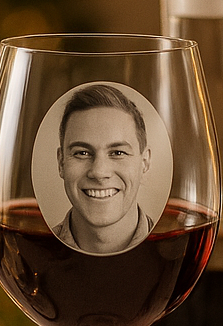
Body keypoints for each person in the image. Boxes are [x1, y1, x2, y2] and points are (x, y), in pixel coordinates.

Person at [55, 84, 153, 253]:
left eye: (118, 152)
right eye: (82, 153)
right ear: (61, 162)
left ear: (144, 162)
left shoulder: (177, 252)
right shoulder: (28, 254)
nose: (99, 172)